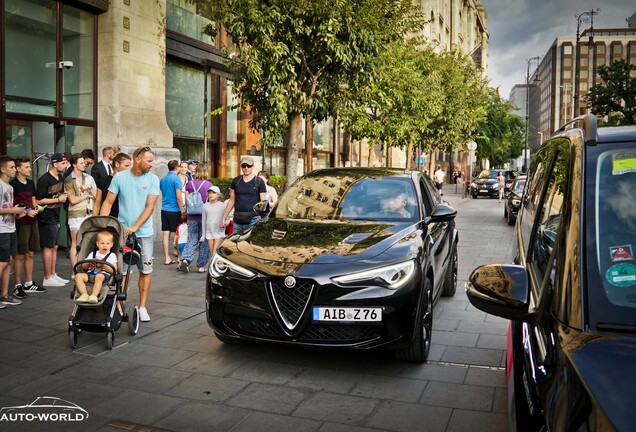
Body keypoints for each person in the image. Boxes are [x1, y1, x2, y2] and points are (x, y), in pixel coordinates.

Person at [99, 146, 159, 322]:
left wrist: (135, 226)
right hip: (123, 232)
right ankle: (119, 305)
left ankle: (142, 307)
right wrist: (102, 226)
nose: (151, 164)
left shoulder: (153, 179)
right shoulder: (120, 177)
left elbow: (150, 207)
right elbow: (108, 202)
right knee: (123, 271)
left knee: (145, 270)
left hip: (144, 232)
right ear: (137, 159)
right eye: (149, 160)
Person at [11, 157, 45, 297]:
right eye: (26, 167)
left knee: (31, 253)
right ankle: (17, 285)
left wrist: (36, 208)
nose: (29, 169)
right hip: (20, 223)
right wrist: (26, 211)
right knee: (19, 255)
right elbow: (11, 206)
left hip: (32, 221)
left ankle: (29, 283)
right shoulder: (13, 185)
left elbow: (33, 201)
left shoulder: (31, 183)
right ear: (18, 169)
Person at [35, 152, 70, 287]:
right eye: (63, 163)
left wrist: (63, 195)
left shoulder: (59, 177)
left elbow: (57, 194)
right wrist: (57, 199)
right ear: (55, 164)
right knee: (48, 247)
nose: (65, 165)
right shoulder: (45, 179)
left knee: (55, 246)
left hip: (55, 214)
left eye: (65, 163)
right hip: (46, 215)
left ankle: (53, 274)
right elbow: (39, 200)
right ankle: (47, 277)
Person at [0, 156, 27, 307]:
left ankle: (4, 294)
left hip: (11, 227)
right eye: (11, 167)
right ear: (3, 169)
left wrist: (17, 212)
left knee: (8, 260)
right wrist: (12, 209)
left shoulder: (10, 187)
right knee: (2, 262)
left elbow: (7, 208)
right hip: (1, 230)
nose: (14, 169)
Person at [65, 153, 97, 272]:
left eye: (84, 162)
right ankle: (75, 271)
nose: (84, 165)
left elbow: (96, 195)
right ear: (74, 164)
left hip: (88, 212)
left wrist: (88, 189)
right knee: (75, 242)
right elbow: (72, 200)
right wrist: (87, 195)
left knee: (88, 240)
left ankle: (86, 267)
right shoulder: (69, 179)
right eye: (81, 163)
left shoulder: (89, 178)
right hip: (75, 214)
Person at [178, 164, 212, 273]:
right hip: (204, 216)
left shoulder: (189, 184)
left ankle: (186, 260)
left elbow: (188, 200)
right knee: (204, 240)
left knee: (191, 238)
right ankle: (201, 266)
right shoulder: (208, 185)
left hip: (191, 216)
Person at [221, 156, 267, 233]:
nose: (246, 168)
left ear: (253, 166)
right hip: (238, 218)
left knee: (251, 244)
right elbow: (232, 200)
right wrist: (224, 218)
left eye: (248, 166)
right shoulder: (235, 181)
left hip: (254, 218)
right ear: (241, 166)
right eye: (244, 166)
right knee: (236, 243)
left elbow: (263, 202)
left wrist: (264, 219)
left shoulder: (259, 182)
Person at [74, 230, 117, 304]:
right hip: (90, 273)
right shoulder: (92, 254)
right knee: (78, 276)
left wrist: (103, 265)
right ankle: (84, 295)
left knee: (99, 277)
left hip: (103, 275)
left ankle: (94, 296)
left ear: (111, 245)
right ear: (97, 244)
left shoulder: (112, 256)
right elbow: (84, 267)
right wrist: (89, 262)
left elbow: (114, 270)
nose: (105, 245)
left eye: (107, 243)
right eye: (102, 243)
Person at [159, 160, 184, 265]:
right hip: (174, 210)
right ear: (177, 167)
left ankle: (167, 258)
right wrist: (182, 209)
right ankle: (179, 257)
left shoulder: (163, 179)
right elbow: (178, 196)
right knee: (177, 234)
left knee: (166, 233)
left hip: (164, 209)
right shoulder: (177, 179)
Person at [92, 152, 132, 217]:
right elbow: (97, 204)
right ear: (117, 164)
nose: (129, 169)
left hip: (125, 220)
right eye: (126, 166)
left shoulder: (130, 181)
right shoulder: (103, 181)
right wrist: (94, 222)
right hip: (108, 219)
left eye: (129, 166)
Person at [201, 185, 228, 254]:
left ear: (218, 195)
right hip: (209, 232)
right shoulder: (205, 206)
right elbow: (203, 221)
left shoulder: (223, 205)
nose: (211, 195)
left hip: (219, 232)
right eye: (209, 193)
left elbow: (227, 219)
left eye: (213, 193)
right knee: (211, 253)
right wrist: (203, 235)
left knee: (214, 253)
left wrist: (224, 223)